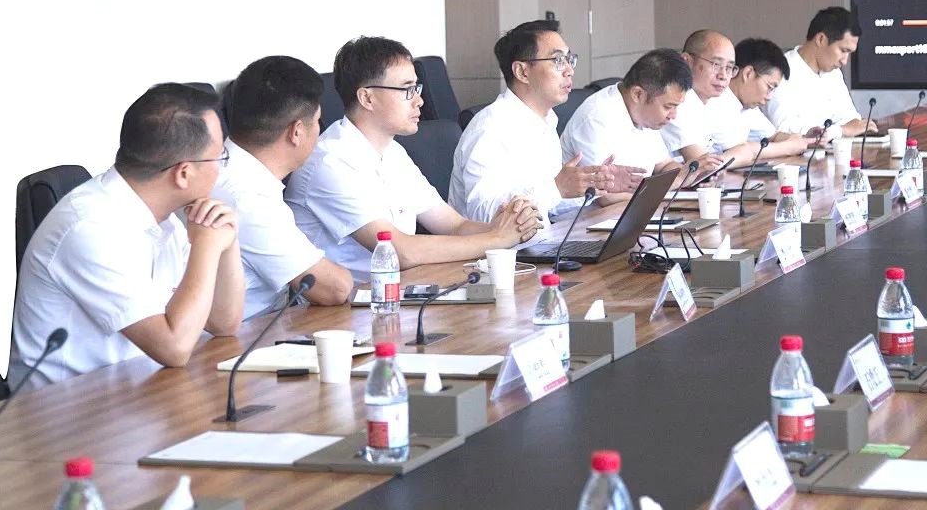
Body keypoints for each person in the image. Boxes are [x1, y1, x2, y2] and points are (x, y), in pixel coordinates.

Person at [10, 84, 244, 390]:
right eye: (220, 157)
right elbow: (174, 347)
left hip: (143, 389)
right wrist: (207, 247)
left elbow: (223, 323)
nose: (222, 168)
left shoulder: (164, 214)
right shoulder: (90, 227)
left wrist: (227, 241)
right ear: (183, 173)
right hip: (69, 409)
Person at [285, 37, 539, 279]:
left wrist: (510, 226)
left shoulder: (393, 152)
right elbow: (399, 251)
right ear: (367, 98)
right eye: (407, 89)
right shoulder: (330, 161)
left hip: (402, 290)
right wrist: (497, 239)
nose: (419, 101)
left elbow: (454, 226)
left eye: (416, 88)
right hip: (347, 303)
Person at [215, 56, 354, 318]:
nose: (319, 131)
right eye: (318, 121)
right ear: (297, 132)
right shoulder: (246, 195)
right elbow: (333, 289)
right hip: (243, 336)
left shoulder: (229, 170)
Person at [448, 20, 624, 224]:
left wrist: (592, 186)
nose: (569, 70)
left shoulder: (546, 120)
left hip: (542, 238)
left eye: (569, 59)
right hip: (497, 245)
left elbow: (550, 205)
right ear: (522, 72)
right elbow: (483, 214)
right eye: (558, 60)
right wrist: (557, 188)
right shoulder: (490, 129)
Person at [561, 48, 700, 203]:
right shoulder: (595, 117)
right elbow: (605, 197)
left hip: (631, 207)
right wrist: (671, 183)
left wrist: (689, 174)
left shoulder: (645, 115)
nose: (673, 116)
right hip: (584, 214)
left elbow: (664, 165)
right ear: (638, 94)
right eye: (668, 107)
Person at [764, 6, 875, 137]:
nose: (845, 61)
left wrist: (860, 126)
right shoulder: (779, 70)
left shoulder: (834, 73)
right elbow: (784, 129)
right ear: (821, 39)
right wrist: (840, 130)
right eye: (843, 51)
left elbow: (849, 119)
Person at [707, 38, 812, 167]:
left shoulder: (748, 106)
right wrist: (788, 147)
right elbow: (740, 151)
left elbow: (773, 136)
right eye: (769, 87)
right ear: (748, 74)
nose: (769, 97)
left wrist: (803, 139)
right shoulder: (716, 100)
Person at [661, 29, 740, 171]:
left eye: (729, 67)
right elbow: (703, 166)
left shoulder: (717, 97)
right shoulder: (675, 101)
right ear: (687, 61)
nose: (723, 75)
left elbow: (743, 149)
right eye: (716, 64)